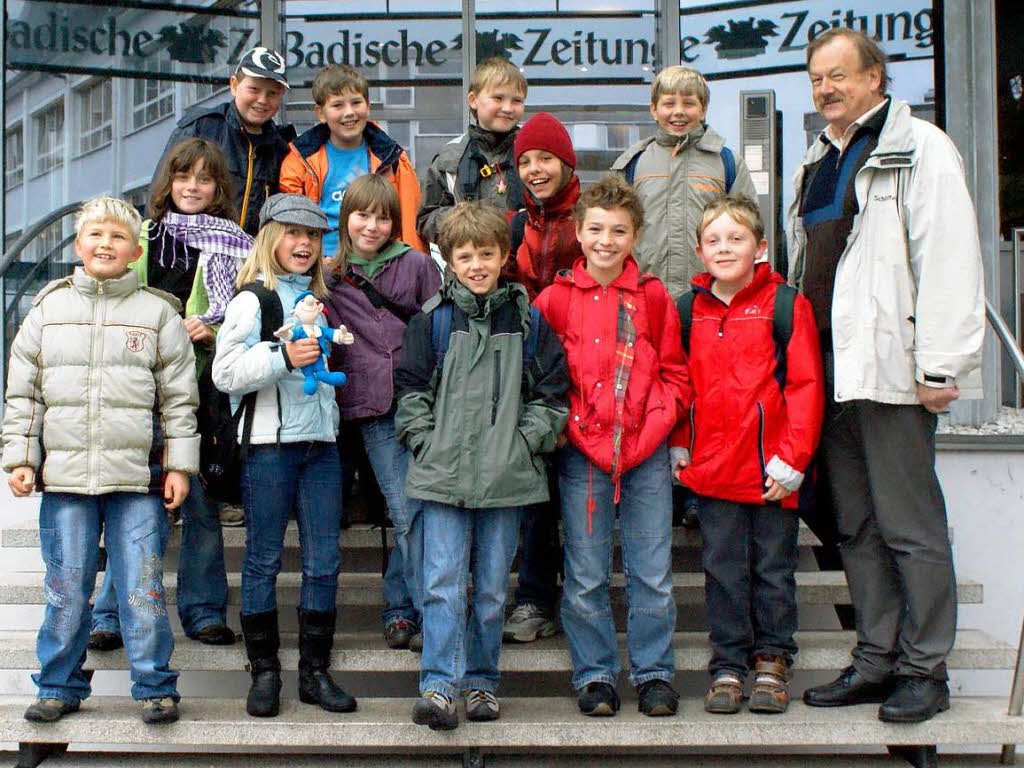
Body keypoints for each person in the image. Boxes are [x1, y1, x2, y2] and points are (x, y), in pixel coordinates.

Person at [791, 29, 985, 723]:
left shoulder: (918, 148)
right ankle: (874, 660)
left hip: (893, 368)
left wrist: (941, 362)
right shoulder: (820, 157)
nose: (825, 89)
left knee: (910, 525)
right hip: (831, 372)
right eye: (817, 78)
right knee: (857, 527)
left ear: (876, 76)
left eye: (839, 76)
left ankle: (924, 669)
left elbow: (951, 256)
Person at [3, 196, 198, 725]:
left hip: (136, 481)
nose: (105, 244)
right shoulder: (48, 308)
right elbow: (23, 393)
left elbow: (180, 399)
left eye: (117, 237)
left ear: (136, 251)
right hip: (65, 479)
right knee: (67, 588)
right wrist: (21, 458)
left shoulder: (159, 313)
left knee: (142, 586)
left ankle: (155, 685)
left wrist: (179, 466)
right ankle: (59, 685)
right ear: (78, 245)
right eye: (95, 235)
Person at [395, 202, 569, 730]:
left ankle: (482, 683)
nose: (476, 265)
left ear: (503, 257)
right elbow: (409, 390)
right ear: (448, 260)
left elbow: (552, 394)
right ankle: (438, 685)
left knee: (492, 589)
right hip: (443, 475)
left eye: (486, 254)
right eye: (464, 255)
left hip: (506, 478)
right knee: (442, 582)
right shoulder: (433, 320)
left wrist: (522, 442)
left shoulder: (527, 319)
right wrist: (426, 441)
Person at [535, 175, 690, 718]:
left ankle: (653, 674)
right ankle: (596, 674)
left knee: (651, 572)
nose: (605, 240)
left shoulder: (651, 297)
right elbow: (544, 379)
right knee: (586, 573)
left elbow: (674, 374)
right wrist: (569, 428)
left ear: (635, 236)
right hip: (582, 452)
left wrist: (655, 429)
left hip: (644, 451)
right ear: (578, 232)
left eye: (618, 230)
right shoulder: (553, 299)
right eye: (595, 228)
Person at [89, 138, 251, 653]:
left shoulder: (237, 242)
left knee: (200, 502)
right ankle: (111, 615)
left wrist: (216, 329)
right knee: (135, 503)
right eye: (184, 177)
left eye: (204, 179)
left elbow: (247, 309)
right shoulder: (144, 238)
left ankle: (203, 611)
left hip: (202, 391)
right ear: (168, 183)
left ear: (218, 187)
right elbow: (116, 303)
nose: (193, 187)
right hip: (141, 388)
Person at [671, 195, 823, 715]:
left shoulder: (785, 305)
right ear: (699, 250)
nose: (724, 248)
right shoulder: (688, 308)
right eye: (713, 240)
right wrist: (678, 443)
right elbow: (681, 385)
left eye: (736, 239)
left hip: (770, 473)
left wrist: (794, 459)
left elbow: (804, 385)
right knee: (722, 570)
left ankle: (773, 660)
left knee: (772, 570)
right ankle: (729, 664)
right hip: (712, 470)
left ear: (759, 247)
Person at [212, 193, 358, 718]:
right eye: (293, 234)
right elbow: (223, 373)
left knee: (325, 561)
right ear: (271, 237)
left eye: (314, 237)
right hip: (269, 450)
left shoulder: (320, 300)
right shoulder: (254, 299)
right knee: (263, 559)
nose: (304, 245)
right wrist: (280, 354)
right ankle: (266, 673)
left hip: (320, 448)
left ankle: (315, 673)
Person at [322, 173, 441, 651]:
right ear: (346, 216)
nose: (371, 226)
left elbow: (438, 325)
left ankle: (404, 608)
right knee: (406, 510)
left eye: (383, 217)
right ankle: (425, 610)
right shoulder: (328, 275)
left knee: (416, 510)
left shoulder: (414, 264)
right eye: (362, 214)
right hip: (366, 406)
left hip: (417, 400)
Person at [502, 111, 583, 644]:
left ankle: (582, 599)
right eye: (525, 160)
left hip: (587, 367)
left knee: (578, 491)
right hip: (530, 370)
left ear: (566, 162)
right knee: (535, 491)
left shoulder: (592, 216)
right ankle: (533, 598)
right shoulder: (513, 224)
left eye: (545, 158)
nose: (534, 169)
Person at [610, 65, 757, 300]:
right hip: (644, 299)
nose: (678, 112)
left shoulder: (727, 163)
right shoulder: (632, 165)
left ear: (703, 109)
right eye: (669, 104)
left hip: (712, 299)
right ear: (654, 109)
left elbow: (749, 233)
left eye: (688, 103)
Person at [279, 64, 423, 259]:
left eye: (356, 103)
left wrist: (410, 271)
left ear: (368, 106)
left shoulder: (393, 158)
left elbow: (409, 221)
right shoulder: (299, 161)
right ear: (320, 113)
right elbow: (290, 227)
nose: (349, 112)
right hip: (320, 266)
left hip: (380, 265)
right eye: (338, 105)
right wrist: (313, 262)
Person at [156, 46, 294, 237]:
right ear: (234, 85)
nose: (262, 100)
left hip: (252, 259)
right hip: (191, 253)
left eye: (273, 93)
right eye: (254, 89)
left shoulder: (281, 148)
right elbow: (159, 196)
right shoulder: (200, 128)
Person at [416, 57, 528, 256]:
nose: (508, 108)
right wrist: (464, 222)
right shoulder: (450, 157)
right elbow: (425, 219)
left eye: (517, 100)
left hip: (524, 276)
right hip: (466, 276)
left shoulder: (532, 153)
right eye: (498, 98)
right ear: (473, 100)